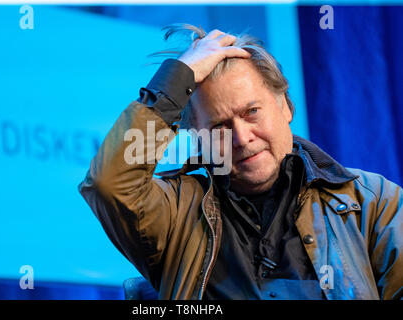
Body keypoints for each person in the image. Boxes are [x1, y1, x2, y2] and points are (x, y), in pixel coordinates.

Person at [78, 24, 402, 300]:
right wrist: (179, 78)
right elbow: (109, 183)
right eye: (219, 126)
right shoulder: (174, 212)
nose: (241, 137)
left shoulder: (373, 201)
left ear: (285, 107)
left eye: (252, 112)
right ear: (198, 139)